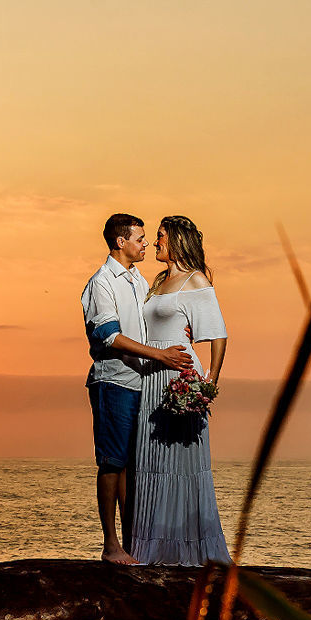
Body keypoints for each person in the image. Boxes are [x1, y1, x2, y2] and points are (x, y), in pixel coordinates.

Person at [81, 213, 193, 565]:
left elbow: (150, 322)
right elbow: (109, 336)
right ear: (121, 242)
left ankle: (132, 543)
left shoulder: (136, 279)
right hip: (113, 381)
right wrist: (160, 354)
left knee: (131, 463)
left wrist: (178, 334)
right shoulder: (102, 282)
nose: (146, 243)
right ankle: (111, 545)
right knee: (112, 462)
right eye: (140, 238)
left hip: (139, 382)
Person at [130, 215, 232, 566]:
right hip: (152, 377)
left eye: (159, 236)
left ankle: (188, 548)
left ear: (175, 239)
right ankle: (152, 546)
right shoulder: (158, 282)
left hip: (180, 379)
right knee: (152, 463)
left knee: (182, 464)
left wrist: (208, 384)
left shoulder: (195, 280)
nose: (155, 243)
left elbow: (217, 335)